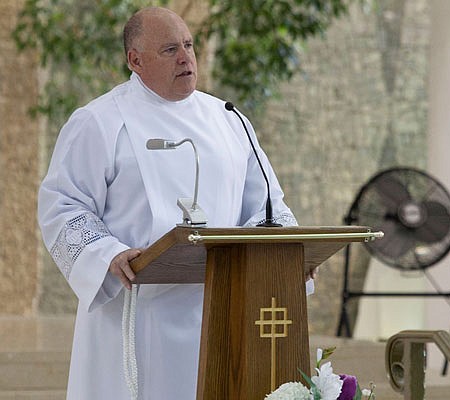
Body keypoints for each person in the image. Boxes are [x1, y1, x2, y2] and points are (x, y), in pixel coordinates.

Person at [37, 6, 303, 399]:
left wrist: (287, 255)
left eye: (189, 45)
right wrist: (107, 253)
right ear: (135, 60)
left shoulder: (228, 119)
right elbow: (62, 204)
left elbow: (267, 207)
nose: (185, 58)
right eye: (169, 50)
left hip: (220, 311)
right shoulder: (100, 121)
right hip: (136, 311)